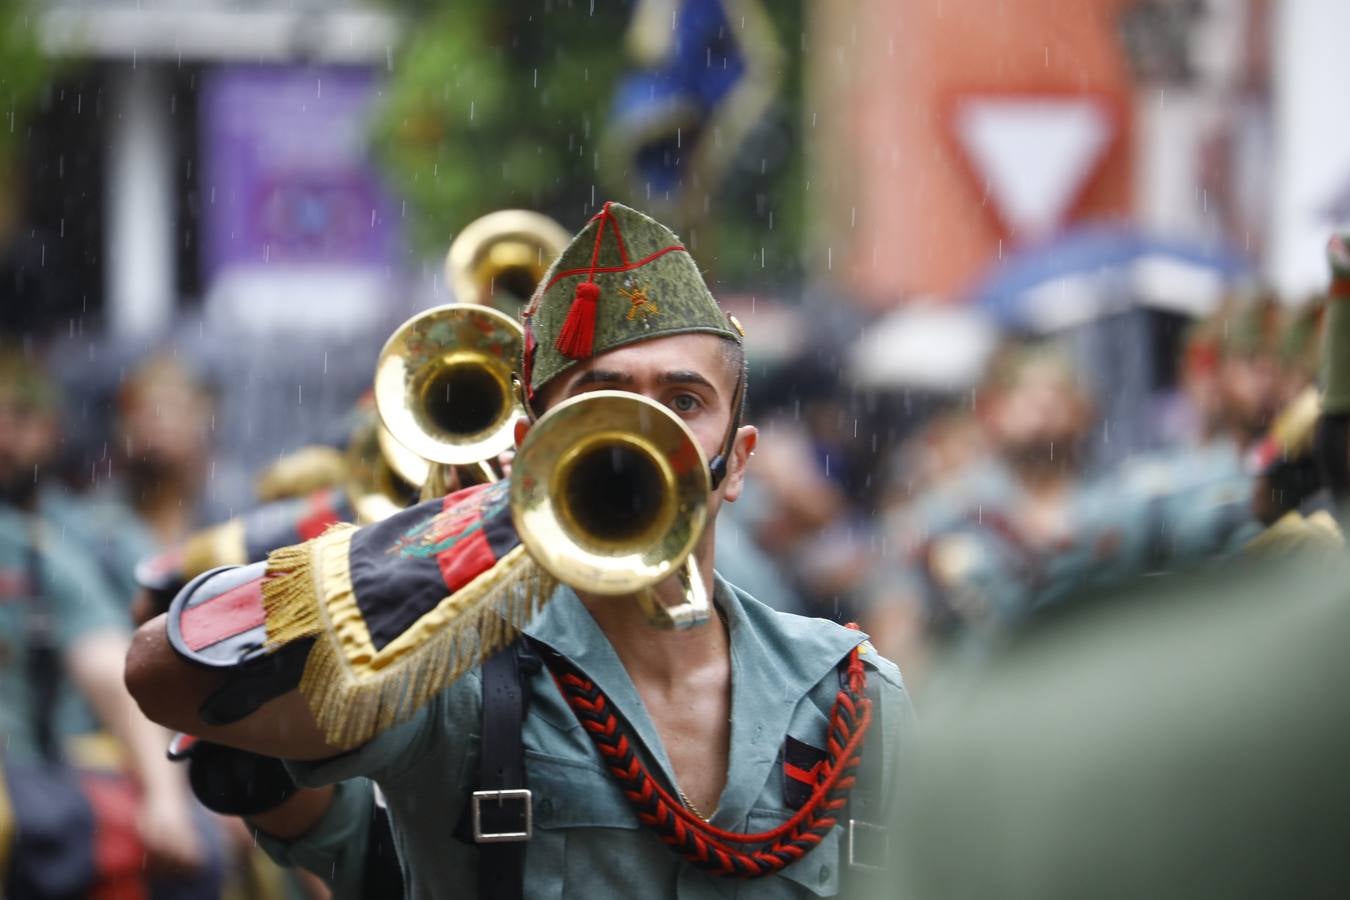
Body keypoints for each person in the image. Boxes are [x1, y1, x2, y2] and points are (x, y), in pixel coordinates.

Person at [126, 201, 912, 899]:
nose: (641, 430)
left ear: (736, 461)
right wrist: (490, 522)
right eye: (601, 398)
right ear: (532, 444)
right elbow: (167, 674)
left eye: (683, 401)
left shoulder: (851, 694)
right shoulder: (455, 674)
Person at [0, 345, 213, 895]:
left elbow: (109, 662)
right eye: (143, 410)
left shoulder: (51, 542)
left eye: (171, 409)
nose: (5, 437)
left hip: (101, 761)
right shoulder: (88, 530)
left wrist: (168, 798)